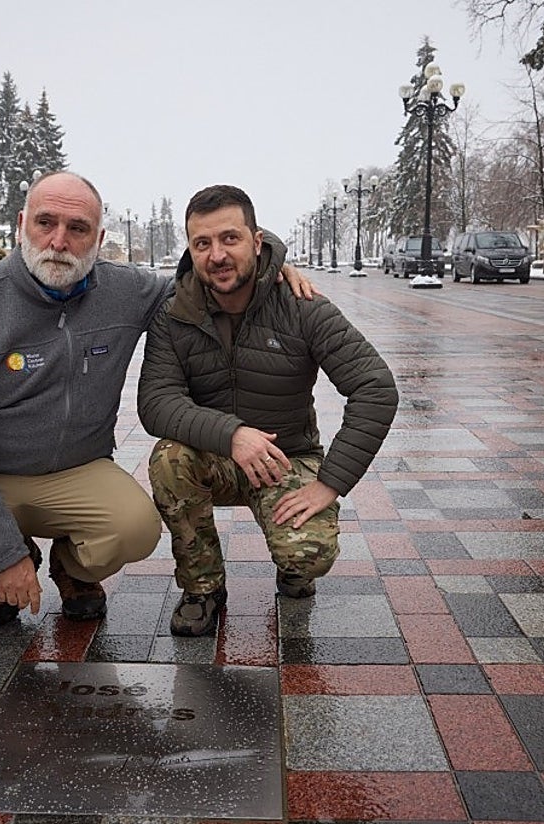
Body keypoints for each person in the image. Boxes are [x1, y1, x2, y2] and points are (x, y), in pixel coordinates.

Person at [0, 171, 312, 627]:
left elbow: (210, 274)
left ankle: (73, 570)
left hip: (78, 473)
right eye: (46, 222)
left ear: (99, 238)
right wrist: (2, 553)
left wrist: (268, 263)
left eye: (78, 228)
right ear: (22, 223)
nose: (59, 241)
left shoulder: (127, 291)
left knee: (135, 529)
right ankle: (2, 565)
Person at [137, 185, 398, 637]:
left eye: (230, 239)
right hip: (215, 457)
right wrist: (232, 435)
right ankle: (203, 588)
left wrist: (330, 483)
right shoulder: (174, 315)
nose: (217, 254)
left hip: (287, 458)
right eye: (202, 243)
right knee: (169, 458)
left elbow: (375, 387)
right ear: (191, 249)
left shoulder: (302, 306)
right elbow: (157, 401)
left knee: (308, 554)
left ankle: (292, 567)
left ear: (257, 242)